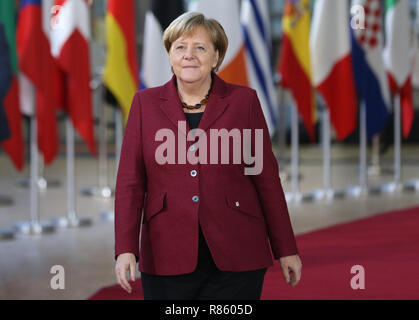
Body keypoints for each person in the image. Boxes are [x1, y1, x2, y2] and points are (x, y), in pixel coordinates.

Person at [114, 11, 302, 300]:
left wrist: (286, 249)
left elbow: (265, 179)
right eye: (180, 47)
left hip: (237, 253)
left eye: (200, 47)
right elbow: (130, 183)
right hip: (166, 252)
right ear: (170, 55)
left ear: (216, 57)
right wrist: (125, 248)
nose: (189, 55)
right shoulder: (144, 104)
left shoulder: (244, 102)